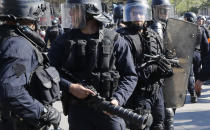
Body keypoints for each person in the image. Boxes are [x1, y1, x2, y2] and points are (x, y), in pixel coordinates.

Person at [48, 0, 138, 130]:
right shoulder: (63, 41)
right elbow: (49, 71)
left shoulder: (116, 40)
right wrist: (70, 87)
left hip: (109, 111)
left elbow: (130, 75)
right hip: (78, 113)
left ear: (89, 14)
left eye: (75, 9)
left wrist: (117, 99)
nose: (70, 13)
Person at [0, 0, 61, 130]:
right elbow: (11, 90)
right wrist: (43, 112)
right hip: (19, 122)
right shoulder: (18, 47)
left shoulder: (6, 38)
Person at [117, 0, 173, 129]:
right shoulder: (122, 37)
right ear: (128, 14)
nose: (138, 17)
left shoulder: (154, 34)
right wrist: (150, 69)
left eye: (140, 12)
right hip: (136, 94)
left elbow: (163, 57)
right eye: (134, 13)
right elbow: (122, 69)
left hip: (157, 91)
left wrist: (166, 68)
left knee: (159, 124)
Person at [150, 0, 175, 129]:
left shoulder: (172, 28)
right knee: (160, 117)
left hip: (170, 74)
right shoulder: (149, 28)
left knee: (169, 113)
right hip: (154, 76)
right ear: (154, 10)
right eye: (161, 9)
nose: (164, 12)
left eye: (166, 9)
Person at [184, 12, 209, 100]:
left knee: (190, 75)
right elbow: (206, 44)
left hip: (188, 54)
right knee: (197, 72)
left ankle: (193, 93)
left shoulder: (183, 29)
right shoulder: (200, 29)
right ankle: (198, 91)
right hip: (198, 54)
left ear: (186, 19)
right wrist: (205, 57)